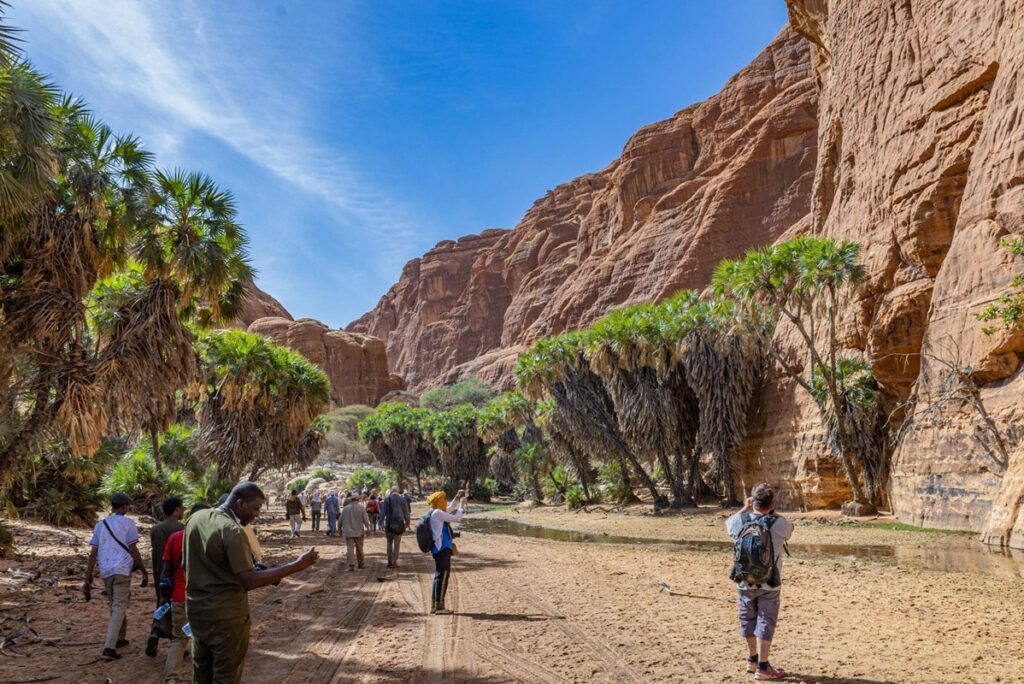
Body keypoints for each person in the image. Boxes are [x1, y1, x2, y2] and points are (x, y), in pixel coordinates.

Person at [184, 482, 318, 683]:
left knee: (201, 673)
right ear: (239, 504)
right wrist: (297, 565)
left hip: (196, 612)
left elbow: (188, 564)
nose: (256, 514)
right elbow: (249, 580)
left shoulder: (195, 519)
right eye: (255, 508)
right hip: (226, 617)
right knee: (226, 676)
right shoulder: (232, 531)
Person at [725, 483, 794, 681]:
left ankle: (752, 659)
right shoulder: (779, 523)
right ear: (772, 503)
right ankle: (763, 666)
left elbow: (728, 523)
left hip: (744, 582)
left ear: (753, 501)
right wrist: (773, 511)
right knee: (766, 621)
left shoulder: (739, 520)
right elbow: (790, 527)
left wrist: (745, 508)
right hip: (770, 583)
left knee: (747, 619)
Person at [83, 492, 149, 660]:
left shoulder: (100, 524)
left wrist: (88, 576)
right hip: (122, 569)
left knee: (116, 604)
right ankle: (109, 648)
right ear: (124, 506)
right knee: (119, 606)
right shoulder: (128, 523)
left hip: (105, 569)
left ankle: (120, 638)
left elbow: (93, 552)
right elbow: (133, 548)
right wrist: (143, 569)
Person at [161, 504, 210, 683]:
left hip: (179, 596)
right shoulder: (209, 538)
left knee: (179, 639)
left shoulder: (174, 538)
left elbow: (166, 571)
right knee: (206, 639)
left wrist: (164, 597)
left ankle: (171, 678)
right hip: (204, 598)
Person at [146, 496, 186, 657]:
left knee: (162, 603)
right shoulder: (182, 529)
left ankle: (156, 630)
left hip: (159, 573)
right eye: (182, 508)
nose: (183, 510)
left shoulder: (155, 529)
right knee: (177, 607)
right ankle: (177, 641)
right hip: (177, 575)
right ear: (176, 510)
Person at [426, 489, 465, 615]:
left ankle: (435, 605)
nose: (445, 501)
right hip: (442, 549)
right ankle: (440, 607)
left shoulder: (435, 512)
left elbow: (449, 508)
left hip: (439, 549)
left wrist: (457, 497)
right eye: (443, 499)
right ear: (438, 501)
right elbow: (457, 517)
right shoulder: (437, 513)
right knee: (443, 576)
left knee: (439, 576)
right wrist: (462, 505)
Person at [381, 486, 411, 568]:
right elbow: (406, 513)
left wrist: (381, 522)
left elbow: (382, 513)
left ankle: (389, 561)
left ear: (391, 491)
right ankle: (395, 561)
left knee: (389, 543)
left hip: (388, 524)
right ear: (398, 491)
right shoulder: (402, 500)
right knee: (397, 544)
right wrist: (407, 523)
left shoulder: (387, 500)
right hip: (399, 524)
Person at [340, 495, 370, 571]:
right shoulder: (361, 508)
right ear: (358, 500)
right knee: (359, 548)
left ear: (351, 500)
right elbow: (365, 520)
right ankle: (361, 563)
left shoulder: (345, 509)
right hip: (359, 531)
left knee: (350, 548)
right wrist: (368, 528)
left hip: (348, 532)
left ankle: (351, 565)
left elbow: (340, 520)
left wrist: (339, 528)